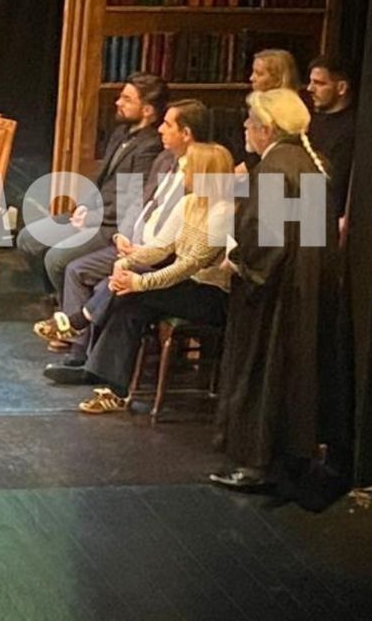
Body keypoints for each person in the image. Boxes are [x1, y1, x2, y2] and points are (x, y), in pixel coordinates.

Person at [212, 88, 344, 494]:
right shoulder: (314, 164)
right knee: (293, 375)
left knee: (263, 375)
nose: (245, 129)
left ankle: (257, 462)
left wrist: (237, 262)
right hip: (307, 288)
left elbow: (263, 242)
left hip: (274, 294)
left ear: (266, 129)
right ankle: (289, 457)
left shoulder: (273, 170)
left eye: (250, 123)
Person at [48, 143, 236, 408]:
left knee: (132, 290)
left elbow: (190, 265)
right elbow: (160, 247)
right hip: (183, 285)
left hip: (209, 294)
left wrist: (140, 282)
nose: (184, 172)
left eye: (189, 168)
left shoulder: (224, 212)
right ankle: (112, 388)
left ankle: (81, 321)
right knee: (129, 305)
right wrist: (126, 262)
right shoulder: (189, 203)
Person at [38, 98, 206, 369]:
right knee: (76, 270)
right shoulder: (165, 160)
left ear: (186, 133)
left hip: (162, 257)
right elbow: (142, 203)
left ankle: (81, 346)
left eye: (167, 124)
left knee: (108, 283)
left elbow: (186, 236)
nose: (160, 129)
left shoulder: (204, 169)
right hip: (133, 244)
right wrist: (123, 236)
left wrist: (140, 252)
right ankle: (79, 348)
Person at [16, 73, 167, 301]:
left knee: (56, 258)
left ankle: (74, 309)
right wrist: (83, 207)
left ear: (147, 110)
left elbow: (131, 201)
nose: (118, 102)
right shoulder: (121, 133)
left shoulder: (150, 147)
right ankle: (59, 296)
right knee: (28, 239)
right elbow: (101, 181)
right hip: (93, 213)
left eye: (127, 99)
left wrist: (92, 217)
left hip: (111, 225)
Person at [306, 54, 357, 222]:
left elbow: (337, 183)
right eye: (311, 82)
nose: (310, 88)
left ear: (341, 88)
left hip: (325, 215)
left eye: (319, 83)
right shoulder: (312, 120)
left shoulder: (352, 128)